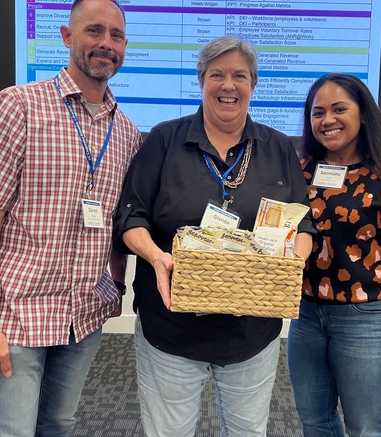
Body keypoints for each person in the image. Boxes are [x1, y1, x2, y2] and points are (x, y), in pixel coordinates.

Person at [0, 0, 142, 437]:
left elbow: (117, 222)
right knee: (12, 432)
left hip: (83, 315)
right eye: (94, 30)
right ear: (66, 35)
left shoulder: (128, 133)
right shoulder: (19, 105)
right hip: (17, 314)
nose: (106, 43)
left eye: (116, 35)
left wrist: (114, 286)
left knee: (59, 424)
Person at [114, 35, 316, 437]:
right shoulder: (163, 140)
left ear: (253, 85)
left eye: (239, 75)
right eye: (217, 75)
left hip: (251, 332)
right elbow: (130, 218)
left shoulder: (278, 147)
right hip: (171, 327)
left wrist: (293, 261)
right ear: (201, 81)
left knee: (247, 432)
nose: (228, 85)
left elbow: (304, 226)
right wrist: (156, 256)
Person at [287, 73, 381, 437]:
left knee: (366, 427)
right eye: (318, 112)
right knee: (315, 422)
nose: (327, 120)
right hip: (305, 315)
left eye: (339, 109)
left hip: (368, 319)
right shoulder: (300, 171)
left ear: (364, 114)